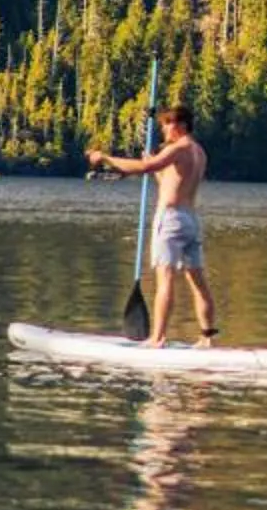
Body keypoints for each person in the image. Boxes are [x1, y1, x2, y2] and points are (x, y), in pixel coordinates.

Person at [86, 100, 219, 345]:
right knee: (198, 281)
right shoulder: (199, 151)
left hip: (170, 219)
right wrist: (155, 166)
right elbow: (170, 181)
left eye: (167, 125)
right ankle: (207, 337)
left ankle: (157, 338)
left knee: (165, 278)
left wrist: (105, 158)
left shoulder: (179, 148)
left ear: (180, 125)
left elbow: (144, 168)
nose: (164, 130)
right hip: (190, 220)